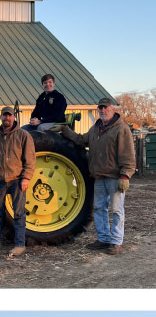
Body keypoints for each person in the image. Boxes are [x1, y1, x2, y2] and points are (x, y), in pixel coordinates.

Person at [60, 98, 135, 255]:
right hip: (99, 176)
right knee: (99, 208)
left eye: (106, 108)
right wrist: (65, 131)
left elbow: (128, 154)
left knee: (116, 210)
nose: (103, 110)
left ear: (112, 109)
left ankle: (116, 242)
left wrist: (125, 175)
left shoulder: (121, 129)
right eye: (100, 108)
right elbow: (81, 140)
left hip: (115, 177)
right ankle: (103, 239)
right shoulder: (95, 129)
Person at [0, 106, 35, 259]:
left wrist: (26, 178)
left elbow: (30, 159)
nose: (7, 118)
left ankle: (20, 244)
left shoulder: (23, 136)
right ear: (1, 117)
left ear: (13, 117)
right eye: (4, 116)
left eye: (9, 116)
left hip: (17, 181)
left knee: (18, 213)